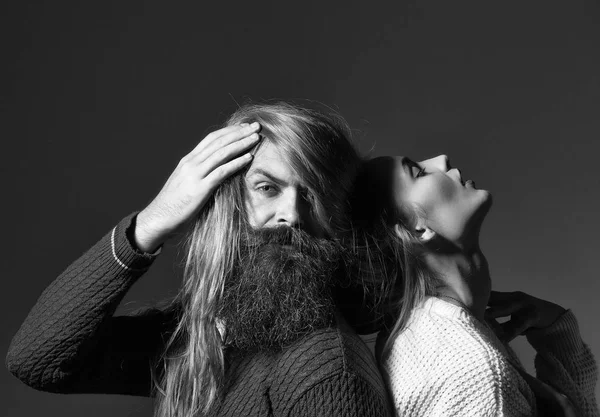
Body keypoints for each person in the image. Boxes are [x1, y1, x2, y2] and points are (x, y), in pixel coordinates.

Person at [6, 102, 391, 417]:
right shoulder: (203, 337)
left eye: (313, 195)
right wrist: (150, 223)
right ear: (227, 205)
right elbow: (38, 360)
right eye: (267, 187)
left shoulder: (327, 374)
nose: (290, 214)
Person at [350, 154, 599, 416]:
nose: (442, 159)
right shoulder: (470, 370)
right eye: (418, 172)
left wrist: (555, 330)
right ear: (416, 231)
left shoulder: (435, 336)